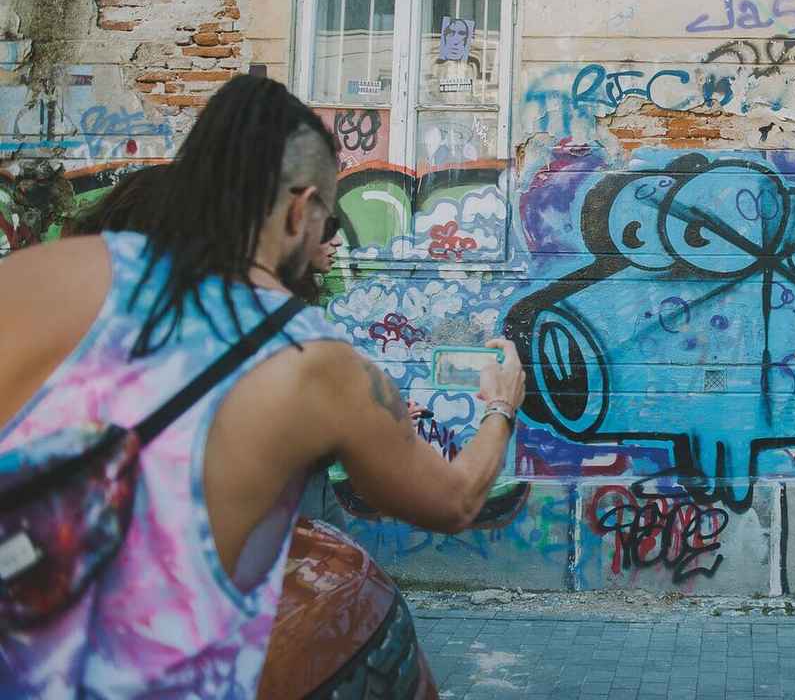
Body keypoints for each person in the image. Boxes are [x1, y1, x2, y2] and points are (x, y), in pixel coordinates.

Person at [0, 75, 526, 697]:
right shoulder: (318, 362)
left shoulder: (46, 273)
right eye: (328, 218)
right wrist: (501, 404)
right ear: (300, 210)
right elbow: (455, 502)